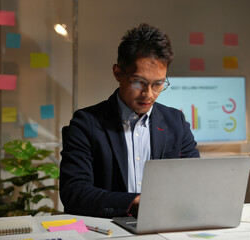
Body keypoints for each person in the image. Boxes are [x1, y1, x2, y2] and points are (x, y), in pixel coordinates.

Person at [60, 23, 200, 218]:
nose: (148, 94)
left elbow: (194, 181)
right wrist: (135, 203)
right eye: (139, 83)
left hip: (164, 225)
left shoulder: (175, 121)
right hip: (109, 230)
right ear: (118, 73)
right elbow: (74, 192)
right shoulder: (86, 124)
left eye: (158, 84)